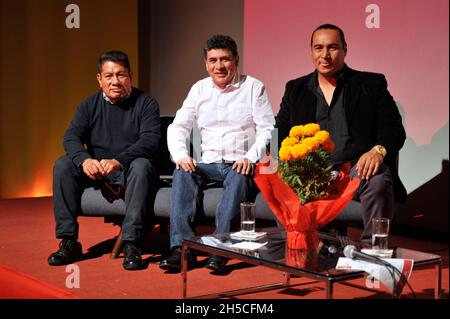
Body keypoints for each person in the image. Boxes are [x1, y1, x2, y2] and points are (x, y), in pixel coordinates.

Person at [276, 24, 407, 242]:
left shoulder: (370, 85)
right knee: (280, 180)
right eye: (318, 48)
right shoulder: (295, 89)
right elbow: (279, 133)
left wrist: (377, 151)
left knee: (377, 178)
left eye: (332, 47)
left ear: (345, 49)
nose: (325, 55)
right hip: (311, 174)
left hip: (355, 171)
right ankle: (298, 246)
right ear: (311, 51)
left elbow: (393, 129)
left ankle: (372, 251)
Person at [159, 35, 275, 272]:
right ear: (206, 63)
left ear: (236, 60)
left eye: (225, 59)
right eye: (213, 60)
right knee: (182, 171)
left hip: (240, 163)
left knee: (239, 174)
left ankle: (221, 248)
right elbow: (178, 126)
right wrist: (181, 155)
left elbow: (267, 130)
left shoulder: (253, 87)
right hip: (208, 163)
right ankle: (183, 248)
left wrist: (250, 157)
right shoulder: (199, 89)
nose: (219, 66)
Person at [48, 50, 161, 270]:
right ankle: (69, 241)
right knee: (63, 164)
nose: (115, 81)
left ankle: (132, 243)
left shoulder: (146, 103)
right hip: (96, 170)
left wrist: (118, 160)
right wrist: (84, 160)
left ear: (131, 76)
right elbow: (71, 136)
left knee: (142, 165)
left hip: (128, 168)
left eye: (121, 75)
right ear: (99, 79)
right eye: (109, 76)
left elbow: (150, 141)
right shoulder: (88, 105)